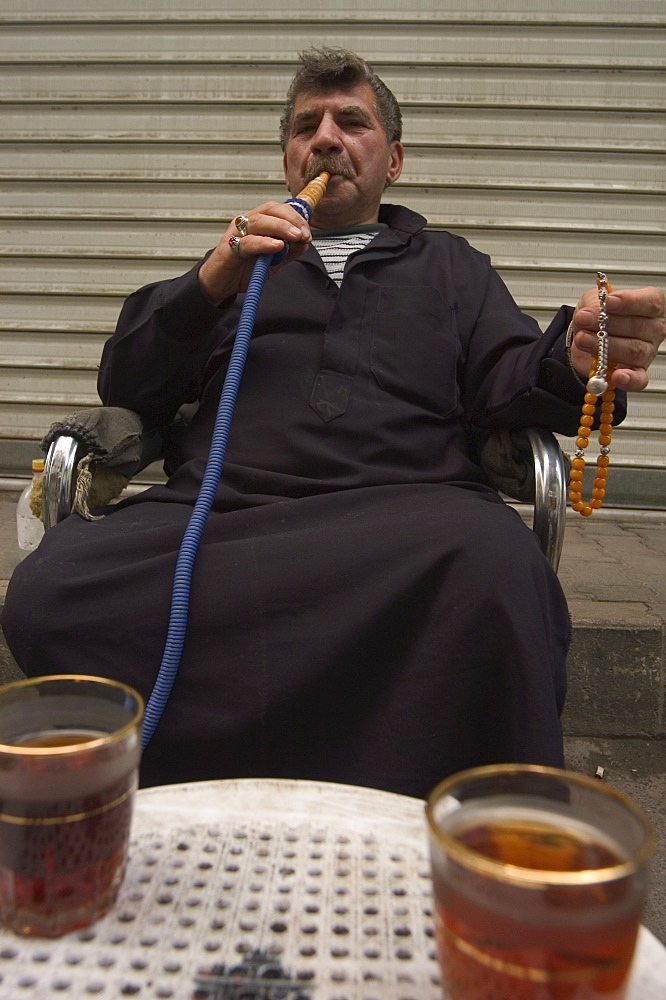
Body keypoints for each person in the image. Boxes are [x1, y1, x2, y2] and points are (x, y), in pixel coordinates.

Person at [2, 48, 664, 796]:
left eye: (352, 122)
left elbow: (511, 380)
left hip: (409, 522)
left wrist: (576, 359)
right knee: (50, 589)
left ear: (394, 160)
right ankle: (193, 806)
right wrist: (211, 278)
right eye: (305, 127)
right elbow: (129, 384)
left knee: (498, 569)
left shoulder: (451, 267)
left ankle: (469, 851)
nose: (325, 138)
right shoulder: (238, 263)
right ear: (288, 158)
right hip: (225, 517)